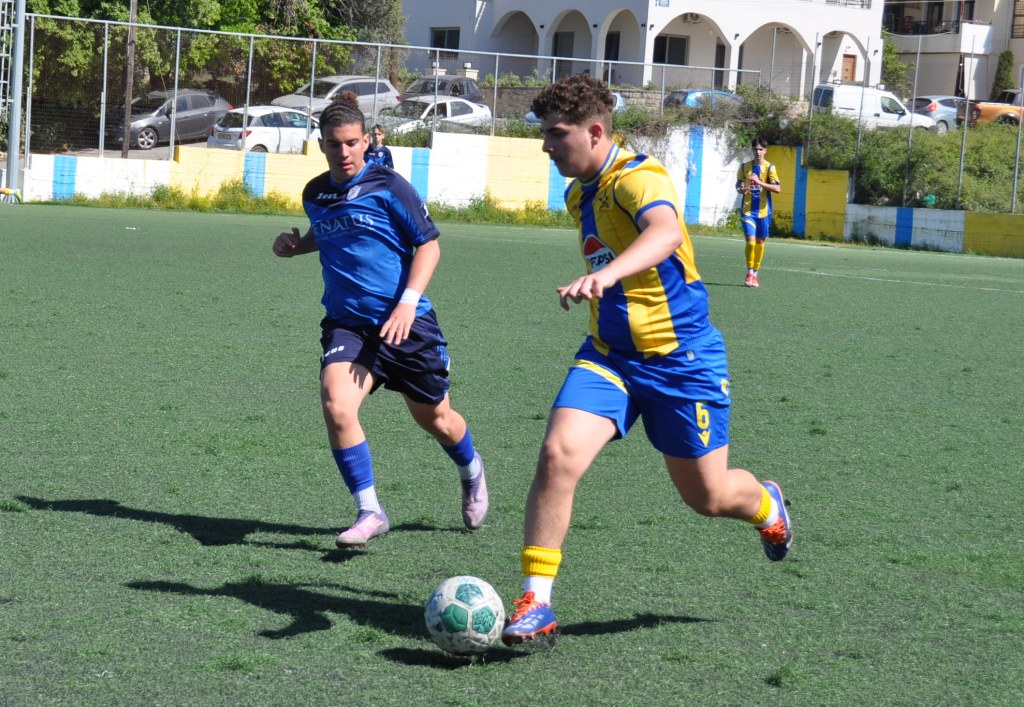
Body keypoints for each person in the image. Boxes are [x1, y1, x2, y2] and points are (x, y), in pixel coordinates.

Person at [500, 75, 793, 646]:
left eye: (556, 134)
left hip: (681, 360)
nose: (546, 147)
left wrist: (606, 275)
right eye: (544, 135)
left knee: (707, 497)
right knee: (558, 455)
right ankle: (537, 600)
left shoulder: (639, 177)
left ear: (594, 131)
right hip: (609, 357)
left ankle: (766, 505)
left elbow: (665, 233)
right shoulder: (579, 193)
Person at [271, 93, 487, 548]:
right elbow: (331, 232)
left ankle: (471, 471)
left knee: (437, 419)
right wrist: (297, 246)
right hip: (349, 325)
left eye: (351, 142)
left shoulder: (389, 185)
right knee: (337, 404)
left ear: (367, 140)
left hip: (406, 324)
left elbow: (428, 245)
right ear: (321, 145)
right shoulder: (314, 193)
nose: (343, 152)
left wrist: (407, 303)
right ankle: (370, 510)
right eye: (334, 144)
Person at [736, 136, 781, 288]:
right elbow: (738, 184)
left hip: (764, 212)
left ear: (765, 150)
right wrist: (740, 189)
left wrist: (760, 182)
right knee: (750, 241)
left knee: (760, 243)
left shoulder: (770, 168)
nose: (758, 152)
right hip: (748, 210)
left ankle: (755, 274)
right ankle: (749, 272)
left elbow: (777, 188)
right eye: (755, 149)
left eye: (761, 149)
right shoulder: (745, 167)